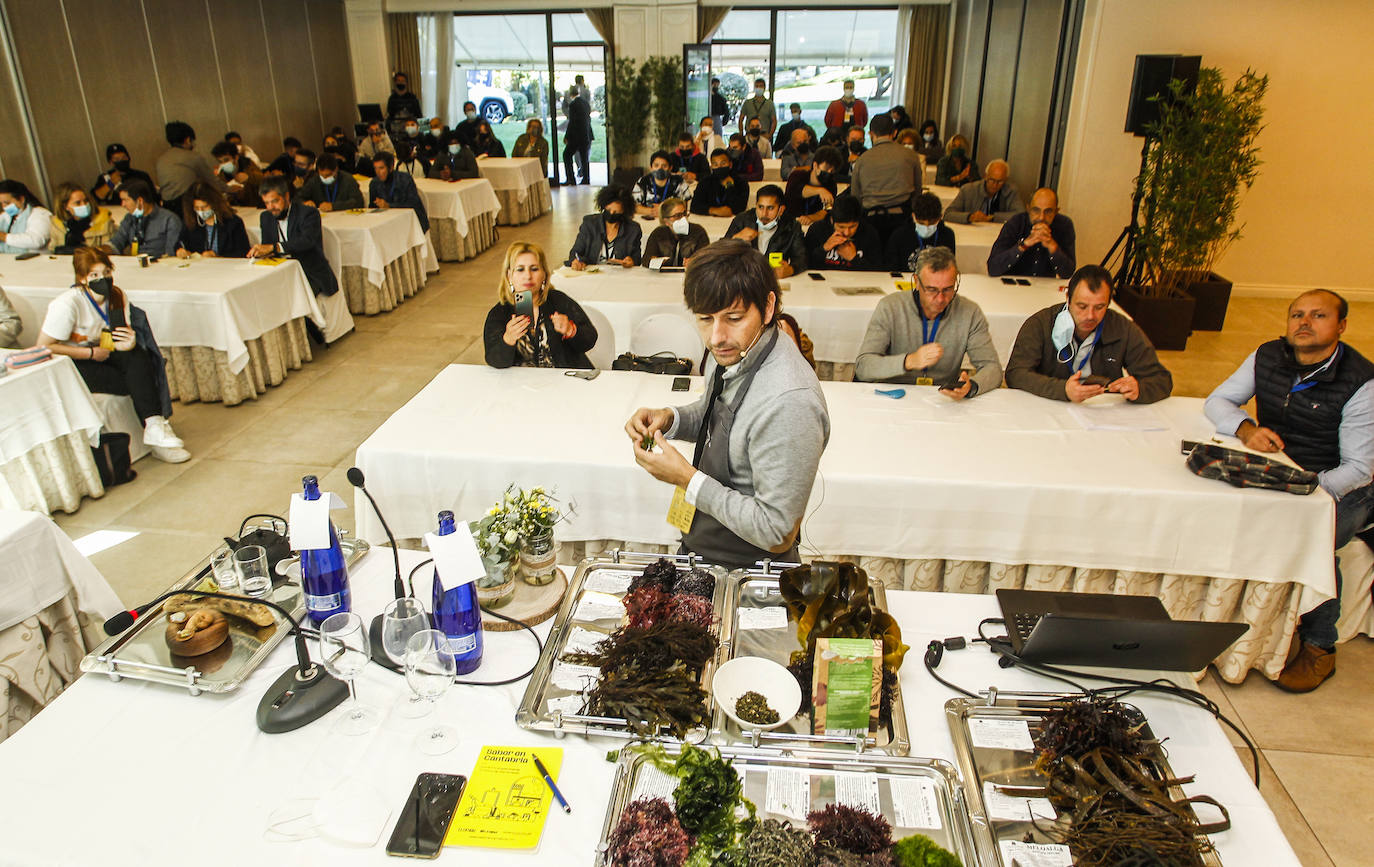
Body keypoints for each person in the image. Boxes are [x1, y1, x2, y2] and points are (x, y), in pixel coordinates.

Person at [1203, 290, 1372, 690]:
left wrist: (1308, 494)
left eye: (1318, 315)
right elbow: (1219, 400)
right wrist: (1246, 429)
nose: (1304, 322)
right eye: (1297, 314)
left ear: (1341, 326)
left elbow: (1360, 468)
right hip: (1280, 473)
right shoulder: (1268, 355)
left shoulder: (1361, 382)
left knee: (1313, 538)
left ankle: (1320, 647)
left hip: (1341, 486)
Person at [625, 239, 829, 568]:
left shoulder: (791, 402)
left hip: (750, 573)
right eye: (705, 318)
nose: (716, 337)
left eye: (733, 318)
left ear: (767, 307)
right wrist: (670, 418)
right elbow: (717, 415)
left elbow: (777, 530)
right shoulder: (740, 349)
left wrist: (687, 479)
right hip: (705, 550)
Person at [37, 246, 186, 459]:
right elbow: (44, 346)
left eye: (106, 273)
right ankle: (154, 431)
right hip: (75, 361)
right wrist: (89, 354)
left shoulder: (116, 296)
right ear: (82, 279)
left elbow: (116, 334)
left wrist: (128, 341)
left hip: (106, 352)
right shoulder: (67, 304)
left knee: (139, 357)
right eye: (94, 275)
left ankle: (155, 428)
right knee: (138, 382)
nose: (103, 279)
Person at [1006, 265, 1172, 404]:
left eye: (1100, 307)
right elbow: (1016, 374)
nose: (1090, 316)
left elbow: (1161, 380)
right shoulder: (1041, 324)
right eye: (1082, 306)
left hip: (1102, 411)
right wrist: (1062, 389)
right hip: (1048, 405)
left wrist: (1140, 389)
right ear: (1068, 299)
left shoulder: (1123, 328)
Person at [856, 246, 1001, 396]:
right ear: (916, 282)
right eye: (932, 290)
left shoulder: (970, 312)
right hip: (894, 394)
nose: (940, 299)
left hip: (942, 398)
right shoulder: (890, 307)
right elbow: (863, 367)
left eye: (948, 289)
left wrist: (971, 386)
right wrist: (909, 361)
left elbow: (992, 368)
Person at [249, 177, 342, 344]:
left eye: (275, 201)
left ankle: (302, 337)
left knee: (286, 297)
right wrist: (260, 252)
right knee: (260, 295)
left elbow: (307, 241)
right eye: (267, 203)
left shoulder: (308, 214)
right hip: (281, 271)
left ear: (286, 196)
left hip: (310, 271)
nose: (271, 207)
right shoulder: (266, 217)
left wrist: (274, 247)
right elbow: (267, 245)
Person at [485, 241, 597, 370]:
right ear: (509, 276)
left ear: (544, 274)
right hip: (520, 385)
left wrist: (571, 330)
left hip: (564, 382)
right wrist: (508, 339)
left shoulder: (558, 301)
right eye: (520, 269)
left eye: (534, 269)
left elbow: (589, 340)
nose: (528, 276)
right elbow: (494, 360)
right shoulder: (500, 313)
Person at [850, 114, 925, 240]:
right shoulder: (910, 155)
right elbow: (917, 192)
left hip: (871, 220)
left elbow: (855, 196)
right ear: (894, 132)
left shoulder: (862, 160)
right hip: (902, 219)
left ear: (871, 134)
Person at [987, 187, 1076, 279]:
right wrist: (1023, 245)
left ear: (1056, 211)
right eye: (1036, 210)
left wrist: (1053, 248)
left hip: (1044, 288)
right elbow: (993, 268)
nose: (1041, 217)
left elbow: (1067, 273)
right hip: (1012, 285)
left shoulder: (1064, 225)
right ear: (1028, 208)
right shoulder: (1016, 223)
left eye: (1048, 211)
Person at [726, 185, 806, 278]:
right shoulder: (742, 220)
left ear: (781, 210)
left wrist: (790, 270)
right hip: (743, 277)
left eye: (770, 208)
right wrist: (734, 239)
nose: (764, 214)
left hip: (775, 279)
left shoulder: (792, 226)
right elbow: (718, 252)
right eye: (760, 207)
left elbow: (802, 258)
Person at [155, 121, 226, 215]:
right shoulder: (193, 157)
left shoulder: (161, 159)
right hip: (187, 206)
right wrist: (229, 189)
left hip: (167, 207)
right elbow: (211, 181)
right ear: (187, 140)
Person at [567, 186, 641, 268]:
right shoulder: (589, 223)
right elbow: (576, 252)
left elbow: (637, 258)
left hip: (620, 275)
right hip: (592, 274)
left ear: (624, 211)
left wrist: (631, 261)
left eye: (616, 212)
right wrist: (577, 261)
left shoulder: (633, 229)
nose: (611, 213)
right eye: (608, 210)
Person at [805, 196, 881, 271]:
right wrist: (824, 249)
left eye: (852, 227)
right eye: (841, 227)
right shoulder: (817, 230)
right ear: (831, 220)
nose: (847, 232)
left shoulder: (869, 232)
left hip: (858, 281)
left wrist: (854, 259)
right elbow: (806, 265)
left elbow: (878, 271)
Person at [107, 180, 180, 257]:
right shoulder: (129, 218)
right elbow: (117, 242)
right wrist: (100, 250)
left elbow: (172, 254)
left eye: (126, 200)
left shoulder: (169, 220)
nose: (123, 204)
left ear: (140, 201)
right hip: (135, 264)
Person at [175, 183, 248, 259]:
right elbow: (180, 242)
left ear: (214, 203)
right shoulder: (191, 221)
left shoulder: (233, 222)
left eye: (204, 207)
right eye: (197, 208)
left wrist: (217, 256)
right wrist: (180, 250)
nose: (201, 211)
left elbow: (243, 252)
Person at [887, 192, 956, 271]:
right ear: (913, 216)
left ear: (940, 218)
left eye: (932, 223)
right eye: (921, 223)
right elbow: (891, 269)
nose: (926, 227)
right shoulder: (899, 235)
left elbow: (949, 267)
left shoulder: (947, 235)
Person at [944, 160, 1023, 224]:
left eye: (1000, 181)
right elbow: (948, 214)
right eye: (992, 180)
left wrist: (992, 218)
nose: (995, 185)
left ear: (1006, 180)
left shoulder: (1011, 191)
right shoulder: (968, 189)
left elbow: (1021, 215)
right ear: (985, 176)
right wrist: (969, 217)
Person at [369, 153, 429, 233]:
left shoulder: (405, 179)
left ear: (390, 168)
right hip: (386, 223)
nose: (378, 172)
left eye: (381, 168)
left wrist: (389, 206)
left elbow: (413, 204)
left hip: (411, 222)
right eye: (375, 168)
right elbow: (372, 207)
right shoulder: (374, 183)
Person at [784, 146, 842, 228]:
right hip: (790, 223)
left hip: (814, 225)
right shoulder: (797, 175)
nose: (829, 172)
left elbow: (827, 209)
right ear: (815, 165)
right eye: (826, 168)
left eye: (832, 171)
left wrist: (811, 218)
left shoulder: (831, 184)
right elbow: (796, 190)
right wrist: (820, 190)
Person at [642, 198, 709, 267]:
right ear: (666, 221)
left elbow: (707, 258)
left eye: (684, 213)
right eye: (677, 216)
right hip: (664, 276)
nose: (683, 218)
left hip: (690, 274)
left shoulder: (698, 231)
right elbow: (646, 260)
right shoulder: (658, 233)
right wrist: (654, 261)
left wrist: (695, 261)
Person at [50, 183, 114, 253]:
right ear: (65, 206)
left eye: (86, 201)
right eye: (78, 203)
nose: (84, 205)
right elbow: (53, 250)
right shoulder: (57, 224)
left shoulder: (103, 220)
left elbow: (109, 249)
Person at [91, 144, 156, 206]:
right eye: (116, 159)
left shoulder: (141, 175)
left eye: (124, 157)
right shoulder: (106, 177)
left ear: (128, 158)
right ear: (111, 162)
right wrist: (111, 183)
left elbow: (153, 197)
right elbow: (96, 198)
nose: (121, 161)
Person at [297, 152, 364, 211]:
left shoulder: (348, 180)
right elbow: (297, 198)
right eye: (322, 175)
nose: (324, 178)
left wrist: (334, 206)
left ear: (336, 170)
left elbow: (358, 202)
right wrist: (305, 202)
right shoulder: (314, 180)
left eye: (328, 175)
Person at [690, 150, 748, 217]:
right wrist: (714, 210)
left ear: (730, 165)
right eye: (715, 165)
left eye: (723, 163)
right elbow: (694, 206)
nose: (719, 167)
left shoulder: (741, 183)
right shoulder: (705, 182)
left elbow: (740, 208)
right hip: (709, 222)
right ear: (711, 167)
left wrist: (729, 187)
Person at [0, 179, 50, 255]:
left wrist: (4, 237)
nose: (4, 207)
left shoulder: (40, 214)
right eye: (1, 203)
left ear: (21, 199)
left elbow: (37, 241)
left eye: (7, 203)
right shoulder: (5, 216)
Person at [634, 151, 689, 216]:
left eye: (664, 166)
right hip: (649, 219)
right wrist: (653, 211)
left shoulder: (678, 181)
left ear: (670, 168)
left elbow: (685, 204)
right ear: (651, 167)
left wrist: (662, 209)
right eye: (656, 165)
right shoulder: (643, 181)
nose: (660, 169)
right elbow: (635, 206)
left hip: (672, 218)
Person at [211, 140, 260, 205]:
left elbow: (264, 180)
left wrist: (249, 177)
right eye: (220, 162)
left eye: (226, 160)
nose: (224, 164)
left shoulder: (248, 165)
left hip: (255, 206)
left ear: (236, 157)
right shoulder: (222, 174)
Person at [563, 89, 593, 185]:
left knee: (566, 155)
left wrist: (567, 136)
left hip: (576, 136)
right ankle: (586, 178)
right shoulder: (585, 103)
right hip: (586, 135)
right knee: (584, 158)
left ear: (571, 95)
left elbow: (572, 122)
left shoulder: (573, 105)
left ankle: (571, 179)